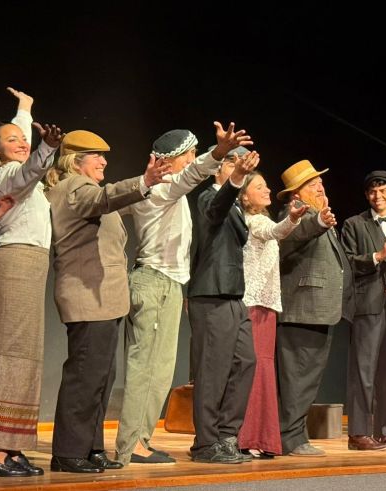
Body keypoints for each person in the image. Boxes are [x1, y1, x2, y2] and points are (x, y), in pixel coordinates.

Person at [115, 125, 251, 466]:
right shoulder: (161, 189)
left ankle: (140, 441)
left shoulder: (163, 191)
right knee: (146, 368)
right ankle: (130, 445)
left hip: (168, 284)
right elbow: (192, 175)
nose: (192, 161)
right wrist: (218, 153)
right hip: (155, 281)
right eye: (189, 155)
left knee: (160, 371)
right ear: (171, 160)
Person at [46, 130, 170, 473]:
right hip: (87, 296)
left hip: (103, 299)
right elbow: (106, 197)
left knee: (100, 376)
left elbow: (118, 200)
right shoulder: (74, 188)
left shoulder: (88, 192)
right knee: (86, 376)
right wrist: (144, 180)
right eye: (96, 156)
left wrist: (163, 179)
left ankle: (90, 447)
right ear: (76, 161)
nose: (104, 161)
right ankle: (68, 452)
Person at [0, 88, 62, 478]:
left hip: (28, 268)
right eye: (10, 140)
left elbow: (23, 145)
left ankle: (10, 444)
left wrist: (25, 109)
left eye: (22, 138)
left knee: (24, 356)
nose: (20, 142)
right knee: (7, 355)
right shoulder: (5, 176)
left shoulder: (16, 172)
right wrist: (47, 148)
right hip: (12, 266)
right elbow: (29, 169)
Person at [275, 159, 354, 457]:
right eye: (312, 184)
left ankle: (295, 434)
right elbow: (290, 237)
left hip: (318, 310)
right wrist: (317, 222)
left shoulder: (318, 213)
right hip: (302, 310)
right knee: (298, 378)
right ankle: (291, 438)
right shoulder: (294, 214)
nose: (320, 187)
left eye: (320, 182)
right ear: (297, 194)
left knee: (307, 378)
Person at [186, 149, 260, 463]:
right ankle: (205, 443)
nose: (239, 167)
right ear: (217, 168)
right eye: (232, 162)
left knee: (246, 362)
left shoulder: (236, 205)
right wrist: (237, 178)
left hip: (233, 295)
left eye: (241, 164)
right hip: (212, 294)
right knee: (212, 372)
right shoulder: (208, 198)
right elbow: (216, 210)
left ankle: (227, 436)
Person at [341, 170, 386, 451]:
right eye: (372, 191)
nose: (378, 196)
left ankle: (382, 429)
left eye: (383, 191)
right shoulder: (354, 224)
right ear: (366, 195)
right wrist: (377, 256)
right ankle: (358, 433)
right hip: (367, 304)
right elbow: (348, 262)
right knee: (363, 370)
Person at [238, 168, 308, 457]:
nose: (267, 190)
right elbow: (275, 231)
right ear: (244, 197)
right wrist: (292, 218)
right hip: (253, 304)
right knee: (255, 369)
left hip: (266, 305)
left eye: (266, 185)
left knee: (263, 368)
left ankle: (261, 437)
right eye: (259, 187)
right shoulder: (253, 221)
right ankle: (248, 437)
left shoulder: (260, 218)